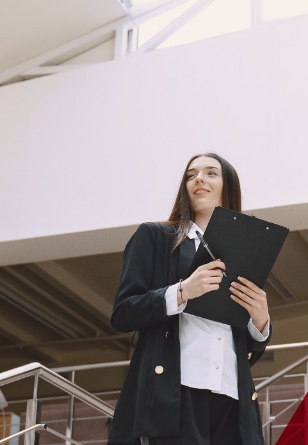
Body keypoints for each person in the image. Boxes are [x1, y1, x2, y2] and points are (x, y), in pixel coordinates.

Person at [109, 153, 273, 445]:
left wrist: (260, 322)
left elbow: (249, 350)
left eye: (211, 173)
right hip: (175, 392)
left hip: (233, 397)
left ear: (228, 186)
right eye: (191, 175)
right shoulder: (155, 237)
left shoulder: (247, 250)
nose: (199, 179)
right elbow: (123, 312)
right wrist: (182, 291)